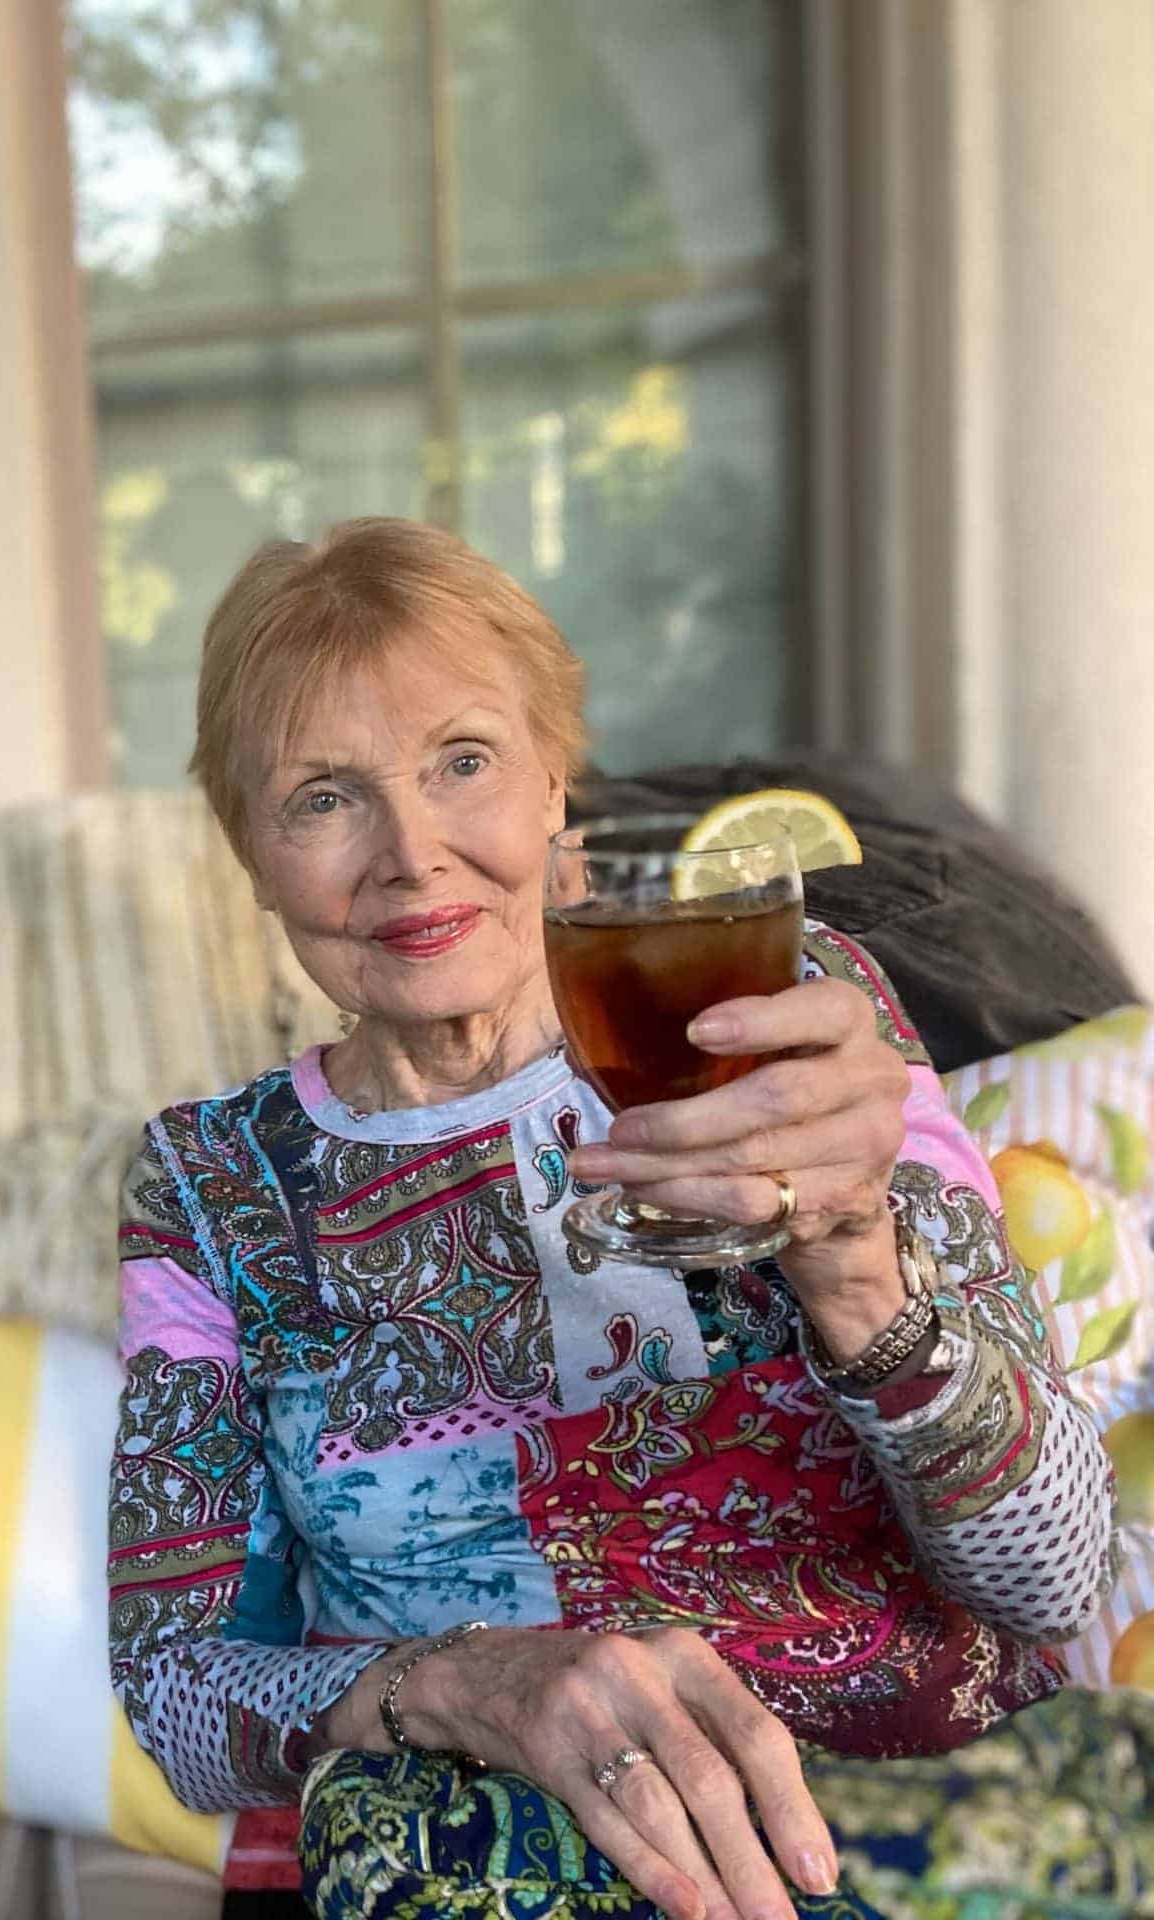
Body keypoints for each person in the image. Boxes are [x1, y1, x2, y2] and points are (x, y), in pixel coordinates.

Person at [105, 519, 1149, 1920]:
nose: (413, 853)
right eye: (322, 798)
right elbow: (177, 1695)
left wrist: (858, 1274)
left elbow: (1056, 1577)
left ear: (554, 786)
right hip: (486, 1839)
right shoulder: (212, 1180)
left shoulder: (778, 1002)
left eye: (462, 762)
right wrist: (469, 1683)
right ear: (254, 857)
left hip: (909, 1814)